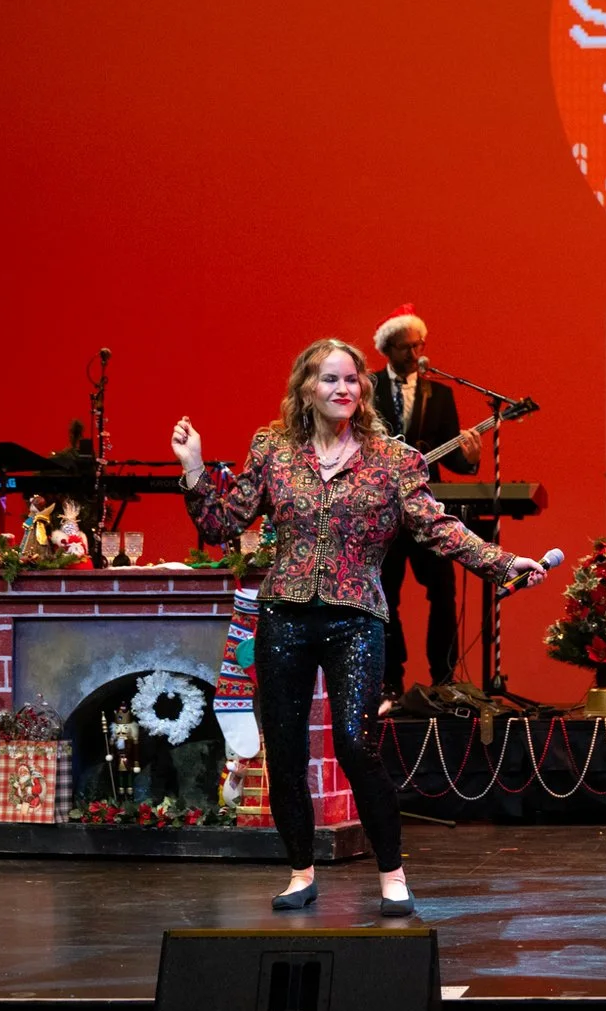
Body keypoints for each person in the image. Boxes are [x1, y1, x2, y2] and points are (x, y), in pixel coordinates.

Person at [174, 337, 545, 917]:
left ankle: (392, 874)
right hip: (285, 615)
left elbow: (438, 528)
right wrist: (194, 468)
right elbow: (223, 525)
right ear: (306, 388)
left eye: (351, 379)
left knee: (355, 744)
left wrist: (504, 563)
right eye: (329, 379)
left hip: (356, 618)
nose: (342, 388)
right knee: (285, 753)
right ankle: (301, 872)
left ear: (364, 390)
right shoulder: (273, 449)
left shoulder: (393, 459)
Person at [368, 304, 483, 695]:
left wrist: (469, 458)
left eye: (419, 345)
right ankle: (389, 680)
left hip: (427, 506)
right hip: (381, 510)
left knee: (443, 592)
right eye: (406, 347)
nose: (415, 354)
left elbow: (450, 456)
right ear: (388, 349)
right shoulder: (367, 388)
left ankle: (444, 678)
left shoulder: (441, 394)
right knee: (384, 594)